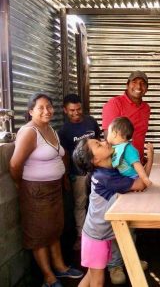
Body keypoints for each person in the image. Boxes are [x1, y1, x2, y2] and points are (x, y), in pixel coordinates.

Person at [9, 93, 83, 287]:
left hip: (53, 189)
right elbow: (15, 165)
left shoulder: (49, 128)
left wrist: (64, 177)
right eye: (40, 107)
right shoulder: (29, 132)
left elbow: (61, 155)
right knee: (39, 235)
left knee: (53, 230)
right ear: (30, 111)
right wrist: (22, 186)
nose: (47, 111)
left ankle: (61, 267)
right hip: (36, 192)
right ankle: (49, 277)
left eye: (49, 106)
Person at [72, 138, 154, 287]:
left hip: (95, 235)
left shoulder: (107, 171)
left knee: (91, 275)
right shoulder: (106, 177)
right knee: (97, 281)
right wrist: (150, 160)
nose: (104, 141)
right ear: (95, 160)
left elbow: (136, 183)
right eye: (98, 145)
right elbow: (141, 184)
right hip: (97, 237)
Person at [102, 70, 150, 284]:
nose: (139, 86)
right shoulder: (115, 104)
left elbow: (139, 138)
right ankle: (114, 266)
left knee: (131, 218)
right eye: (135, 82)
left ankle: (129, 258)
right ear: (127, 84)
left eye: (143, 83)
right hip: (115, 170)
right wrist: (113, 171)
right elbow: (109, 139)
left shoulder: (146, 108)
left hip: (132, 167)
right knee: (116, 217)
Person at [58, 93, 101, 250]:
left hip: (97, 169)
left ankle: (99, 233)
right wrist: (67, 176)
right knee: (80, 203)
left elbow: (99, 141)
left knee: (98, 200)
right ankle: (81, 236)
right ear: (65, 110)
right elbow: (65, 156)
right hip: (78, 173)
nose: (76, 113)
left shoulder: (90, 121)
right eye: (72, 110)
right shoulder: (64, 131)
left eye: (78, 109)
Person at [107, 116, 152, 187]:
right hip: (123, 178)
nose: (107, 135)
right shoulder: (114, 148)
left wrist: (144, 178)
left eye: (108, 132)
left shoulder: (128, 149)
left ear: (114, 133)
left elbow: (137, 164)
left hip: (133, 178)